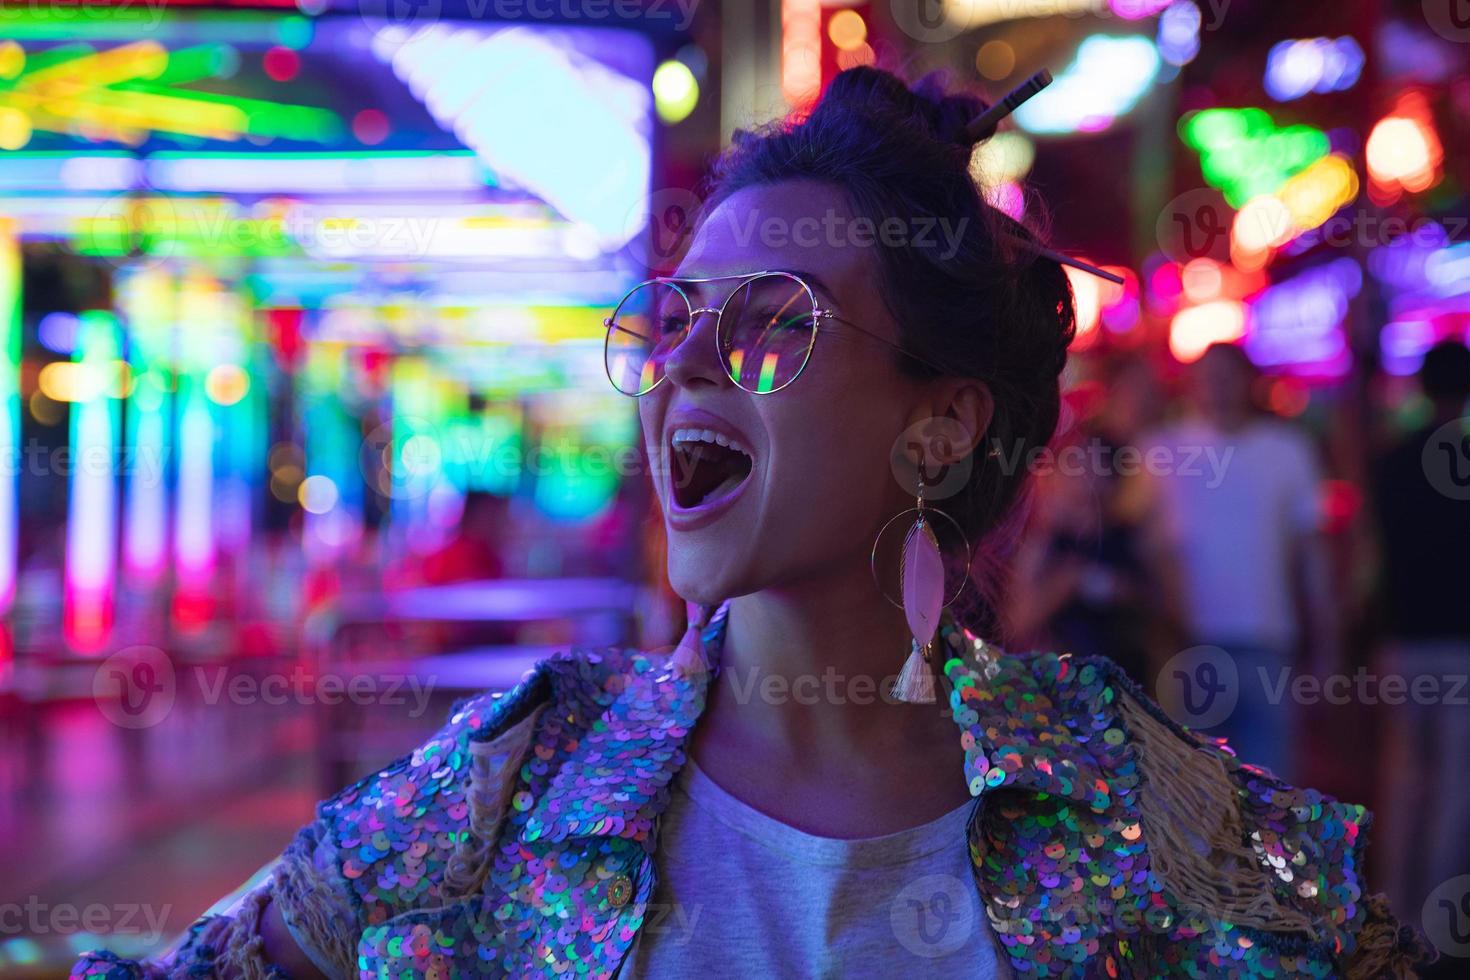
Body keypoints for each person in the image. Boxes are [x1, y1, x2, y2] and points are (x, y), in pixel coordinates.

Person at [73, 68, 1424, 980]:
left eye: (774, 325)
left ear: (938, 426)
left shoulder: (1122, 786)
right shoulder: (517, 785)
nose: (687, 366)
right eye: (670, 320)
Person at [1138, 343, 1338, 781]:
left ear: (1249, 382)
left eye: (1228, 376)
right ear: (1191, 386)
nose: (1218, 388)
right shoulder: (1160, 451)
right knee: (1194, 800)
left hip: (1268, 644)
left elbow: (1311, 555)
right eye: (1208, 378)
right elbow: (1143, 549)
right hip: (1190, 647)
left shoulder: (1289, 450)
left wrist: (1326, 644)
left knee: (1270, 792)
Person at [1371, 340, 1470, 939]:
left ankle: (1393, 905)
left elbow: (1375, 554)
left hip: (1402, 638)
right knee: (1456, 779)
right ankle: (1436, 919)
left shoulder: (1391, 461)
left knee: (1404, 773)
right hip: (1462, 640)